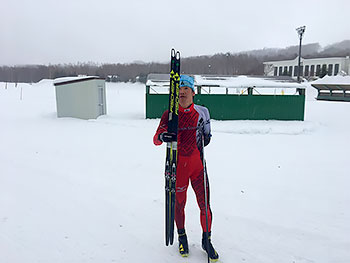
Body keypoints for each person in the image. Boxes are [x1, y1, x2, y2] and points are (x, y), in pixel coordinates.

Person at [153, 75, 219, 261]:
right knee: (179, 205)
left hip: (198, 167)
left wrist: (206, 139)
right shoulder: (169, 115)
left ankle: (207, 240)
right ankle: (182, 237)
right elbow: (156, 138)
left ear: (193, 92)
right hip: (178, 168)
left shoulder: (203, 112)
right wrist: (163, 136)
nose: (181, 92)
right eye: (179, 90)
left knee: (205, 205)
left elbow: (207, 136)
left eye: (186, 89)